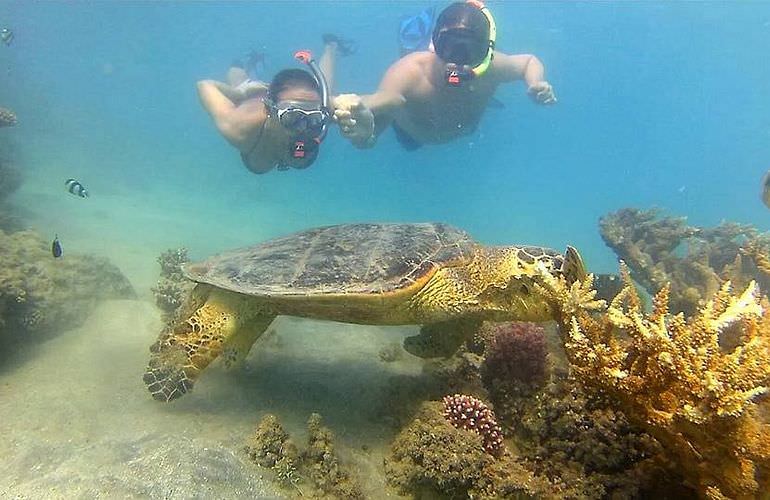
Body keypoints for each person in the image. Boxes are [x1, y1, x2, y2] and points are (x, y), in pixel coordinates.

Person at [334, 1, 556, 150]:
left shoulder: (493, 67)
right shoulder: (408, 74)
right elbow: (383, 101)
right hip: (412, 137)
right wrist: (356, 114)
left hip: (465, 129)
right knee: (401, 129)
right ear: (435, 44)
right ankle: (410, 37)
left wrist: (536, 82)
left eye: (471, 50)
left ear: (487, 51)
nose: (458, 60)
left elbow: (528, 62)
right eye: (449, 47)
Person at [197, 35, 354, 174]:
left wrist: (364, 128)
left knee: (323, 91)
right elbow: (204, 85)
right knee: (239, 82)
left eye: (313, 118)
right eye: (292, 118)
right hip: (253, 96)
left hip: (286, 99)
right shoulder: (238, 127)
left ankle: (331, 46)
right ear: (269, 111)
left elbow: (377, 101)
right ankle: (244, 60)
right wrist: (240, 94)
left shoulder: (322, 112)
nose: (302, 129)